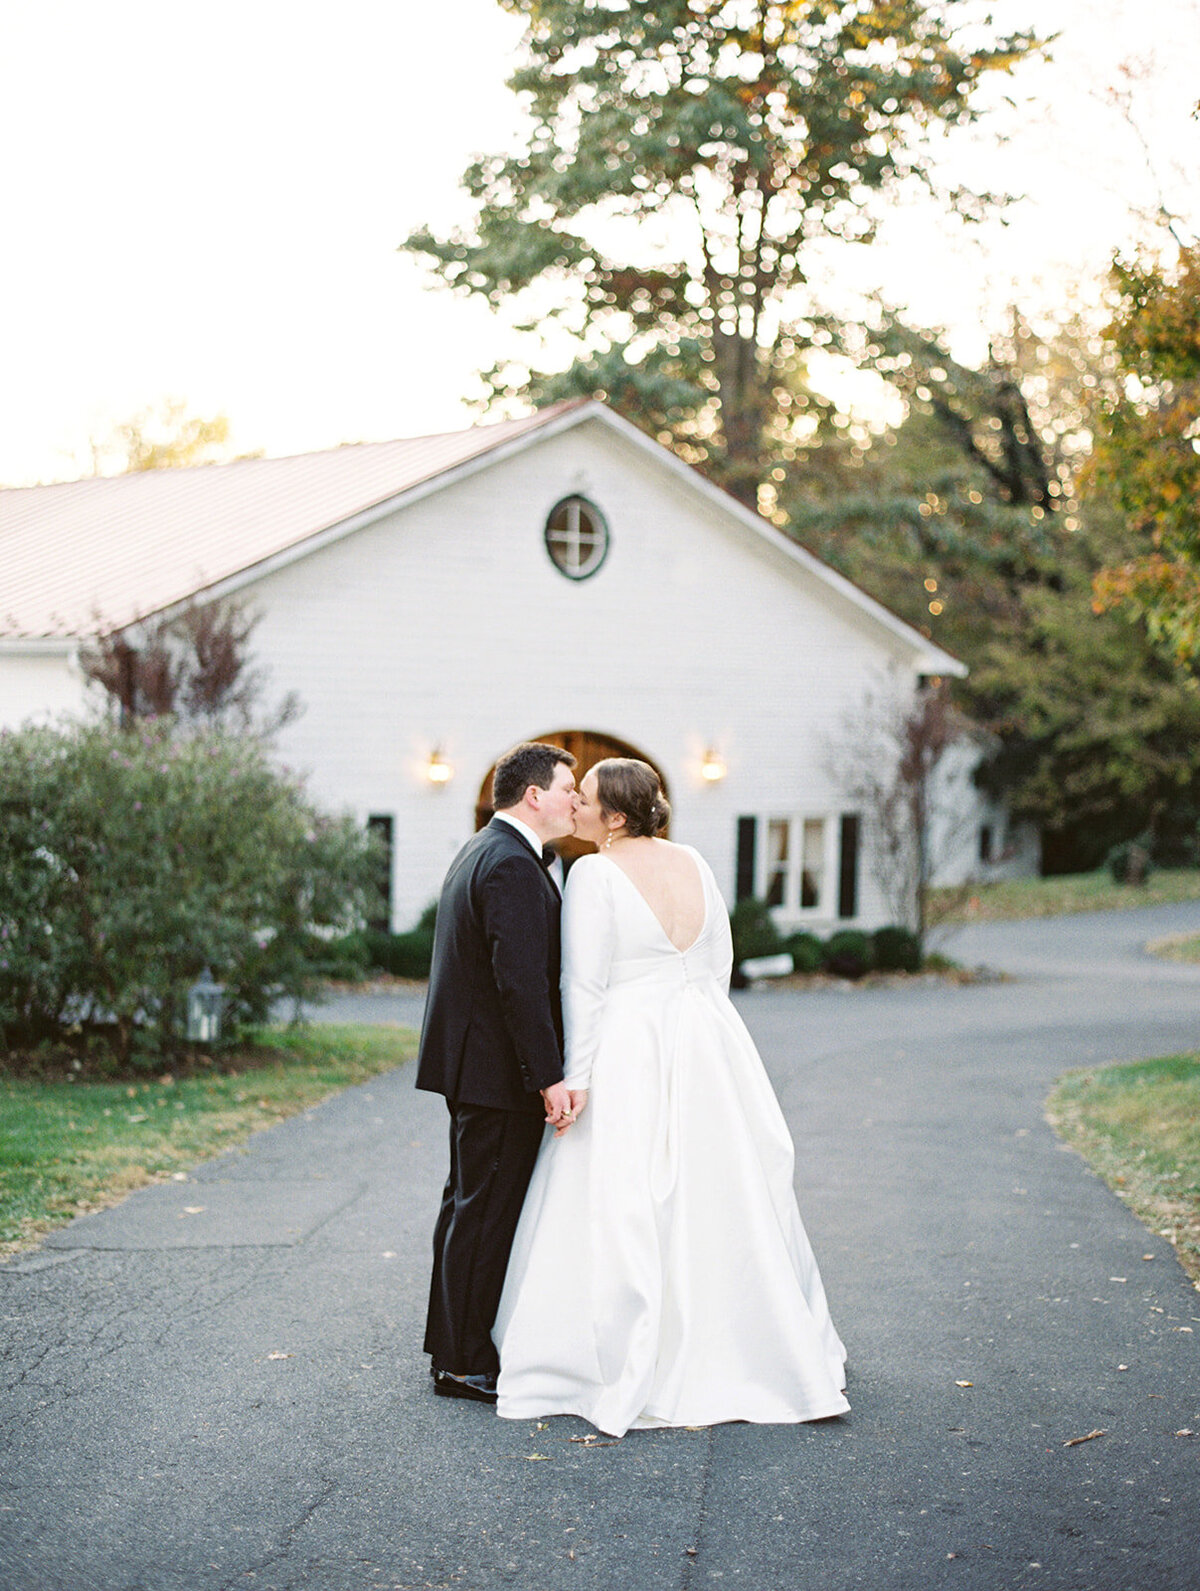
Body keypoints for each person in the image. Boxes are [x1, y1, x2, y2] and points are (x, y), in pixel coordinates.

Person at [493, 757, 849, 1436]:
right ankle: (753, 1341)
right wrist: (694, 1017)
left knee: (622, 1188)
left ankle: (622, 1355)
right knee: (723, 1183)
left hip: (631, 1041)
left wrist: (576, 1077)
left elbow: (585, 985)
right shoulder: (693, 859)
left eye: (587, 800)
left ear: (615, 816)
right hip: (709, 1039)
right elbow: (719, 959)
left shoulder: (594, 872)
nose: (576, 809)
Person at [416, 741, 583, 1403]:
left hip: (475, 1067)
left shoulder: (486, 848)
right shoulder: (511, 863)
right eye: (568, 787)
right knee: (482, 1211)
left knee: (466, 1206)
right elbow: (518, 984)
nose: (575, 798)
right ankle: (462, 1361)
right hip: (495, 1073)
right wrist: (547, 1076)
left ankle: (450, 1347)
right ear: (534, 795)